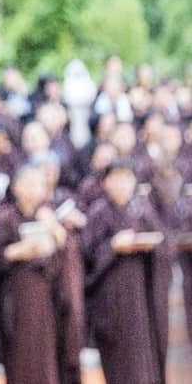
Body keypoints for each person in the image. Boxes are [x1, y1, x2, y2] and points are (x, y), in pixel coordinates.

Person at [0, 164, 79, 384]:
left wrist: (58, 233)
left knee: (48, 361)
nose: (34, 189)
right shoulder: (5, 218)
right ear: (15, 187)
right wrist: (13, 253)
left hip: (48, 302)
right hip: (16, 302)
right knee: (20, 361)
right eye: (28, 183)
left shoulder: (51, 218)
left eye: (39, 184)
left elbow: (68, 263)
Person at [81, 158, 170, 384]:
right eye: (116, 178)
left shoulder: (142, 210)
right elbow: (86, 259)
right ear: (105, 182)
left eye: (127, 178)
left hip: (142, 304)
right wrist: (112, 247)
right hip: (111, 306)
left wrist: (149, 247)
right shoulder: (98, 213)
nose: (122, 184)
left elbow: (164, 245)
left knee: (145, 365)